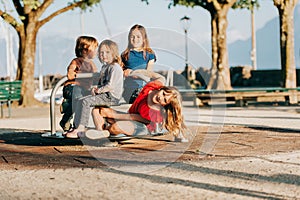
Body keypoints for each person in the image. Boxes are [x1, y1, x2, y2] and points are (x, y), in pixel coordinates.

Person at [85, 69, 187, 142]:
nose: (161, 98)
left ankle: (105, 133)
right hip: (129, 117)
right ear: (161, 89)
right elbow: (158, 76)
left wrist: (113, 114)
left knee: (115, 127)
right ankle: (100, 132)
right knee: (97, 110)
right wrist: (135, 72)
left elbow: (134, 117)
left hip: (143, 126)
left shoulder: (156, 112)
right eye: (163, 94)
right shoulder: (154, 86)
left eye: (165, 100)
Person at [65, 39, 124, 138]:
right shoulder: (105, 67)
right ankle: (76, 126)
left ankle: (82, 128)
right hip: (104, 94)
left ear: (113, 53)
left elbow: (110, 86)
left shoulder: (115, 67)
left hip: (112, 96)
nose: (104, 55)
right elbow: (102, 83)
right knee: (81, 100)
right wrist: (95, 88)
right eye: (101, 52)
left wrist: (98, 90)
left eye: (107, 52)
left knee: (86, 102)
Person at [60, 35, 99, 132]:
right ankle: (76, 126)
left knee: (82, 102)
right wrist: (72, 73)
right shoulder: (76, 61)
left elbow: (95, 76)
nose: (96, 51)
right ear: (85, 50)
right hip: (72, 87)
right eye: (94, 48)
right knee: (78, 100)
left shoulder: (91, 64)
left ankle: (69, 109)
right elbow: (70, 72)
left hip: (84, 89)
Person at [121, 24, 156, 103]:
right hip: (129, 89)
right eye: (132, 36)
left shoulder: (150, 54)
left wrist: (134, 73)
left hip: (143, 88)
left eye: (138, 37)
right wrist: (124, 72)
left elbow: (149, 73)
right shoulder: (125, 55)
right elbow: (120, 71)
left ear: (144, 38)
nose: (135, 39)